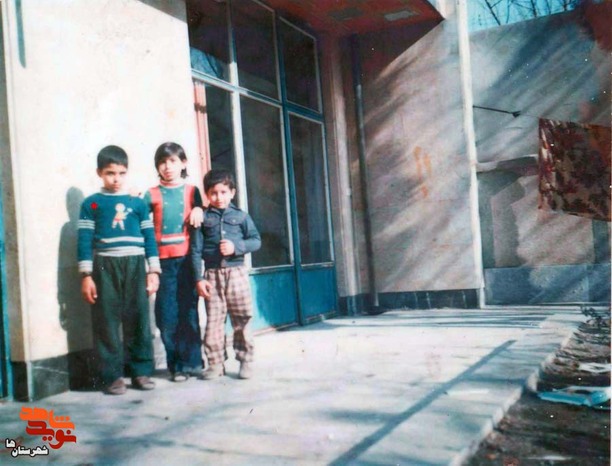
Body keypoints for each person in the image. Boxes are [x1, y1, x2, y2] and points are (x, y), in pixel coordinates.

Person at [77, 145, 160, 395]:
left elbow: (149, 237)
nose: (116, 179)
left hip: (135, 264)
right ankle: (112, 376)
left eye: (122, 173)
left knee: (139, 319)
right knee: (106, 320)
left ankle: (141, 371)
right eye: (110, 173)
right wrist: (86, 276)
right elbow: (84, 240)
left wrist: (153, 270)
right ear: (99, 173)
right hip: (105, 266)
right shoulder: (91, 204)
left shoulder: (138, 203)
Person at [191, 169, 261, 380]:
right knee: (214, 321)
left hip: (236, 274)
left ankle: (245, 360)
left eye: (223, 192)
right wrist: (198, 278)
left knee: (242, 318)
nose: (218, 197)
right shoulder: (203, 218)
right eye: (213, 193)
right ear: (207, 194)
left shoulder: (241, 216)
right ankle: (215, 363)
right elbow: (195, 250)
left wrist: (236, 247)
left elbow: (256, 241)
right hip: (212, 276)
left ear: (232, 192)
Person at [144, 142, 204, 382]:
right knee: (167, 315)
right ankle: (176, 366)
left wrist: (199, 209)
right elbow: (139, 218)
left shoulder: (192, 191)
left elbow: (201, 210)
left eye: (173, 161)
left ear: (183, 163)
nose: (167, 167)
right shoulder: (151, 194)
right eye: (162, 162)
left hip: (187, 261)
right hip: (163, 264)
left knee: (189, 311)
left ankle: (193, 362)